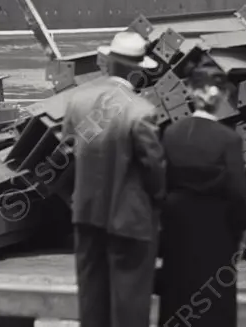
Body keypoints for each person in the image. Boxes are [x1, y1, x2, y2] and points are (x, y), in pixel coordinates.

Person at [63, 30, 166, 327]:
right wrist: (156, 205)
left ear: (108, 62)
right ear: (137, 70)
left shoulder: (78, 101)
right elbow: (154, 170)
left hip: (86, 218)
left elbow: (69, 155)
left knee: (92, 304)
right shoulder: (141, 111)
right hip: (130, 224)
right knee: (130, 308)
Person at [157, 60, 246, 327]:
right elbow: (237, 194)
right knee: (213, 308)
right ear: (220, 96)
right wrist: (238, 234)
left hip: (178, 233)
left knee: (177, 299)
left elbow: (161, 186)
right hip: (217, 235)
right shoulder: (228, 139)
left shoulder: (172, 134)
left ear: (190, 92)